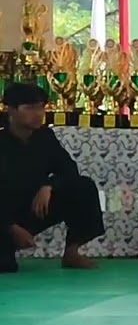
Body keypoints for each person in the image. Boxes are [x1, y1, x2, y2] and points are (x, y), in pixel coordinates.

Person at [0, 84, 105, 273]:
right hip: (4, 214)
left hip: (32, 207)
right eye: (30, 108)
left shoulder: (45, 137)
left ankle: (72, 251)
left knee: (82, 186)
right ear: (11, 110)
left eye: (41, 107)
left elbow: (69, 169)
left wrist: (48, 185)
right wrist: (10, 227)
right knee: (5, 266)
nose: (38, 113)